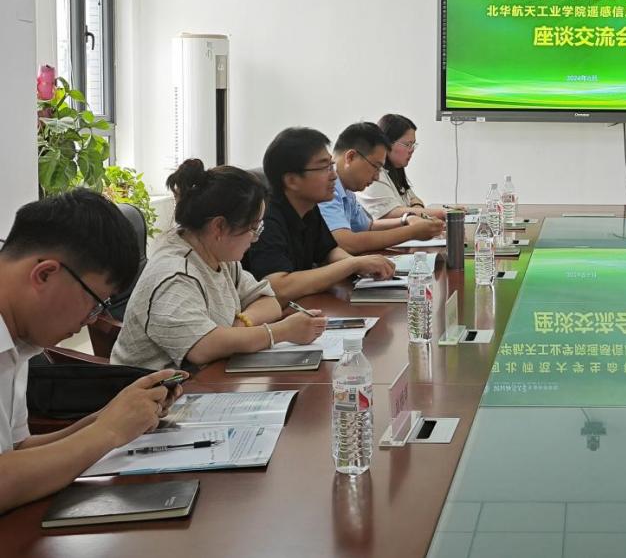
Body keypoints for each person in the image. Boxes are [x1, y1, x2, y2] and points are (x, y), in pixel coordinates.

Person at [0, 190, 182, 514]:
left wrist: (109, 417)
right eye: (96, 303)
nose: (92, 320)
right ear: (45, 274)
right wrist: (107, 432)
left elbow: (17, 453)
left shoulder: (19, 337)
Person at [111, 160, 326, 371]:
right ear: (219, 227)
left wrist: (240, 325)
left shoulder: (219, 257)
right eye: (253, 228)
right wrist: (282, 331)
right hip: (155, 389)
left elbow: (268, 301)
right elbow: (203, 347)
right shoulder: (174, 275)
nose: (255, 238)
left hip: (206, 377)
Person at [244, 127, 396, 301]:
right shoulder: (265, 218)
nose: (334, 176)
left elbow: (328, 252)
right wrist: (353, 264)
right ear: (292, 180)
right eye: (324, 168)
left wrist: (363, 266)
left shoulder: (308, 207)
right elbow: (278, 287)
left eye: (331, 165)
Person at [319, 122, 444, 255]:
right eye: (375, 167)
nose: (377, 177)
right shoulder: (327, 188)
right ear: (351, 157)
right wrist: (411, 232)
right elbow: (346, 243)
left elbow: (368, 226)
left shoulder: (347, 190)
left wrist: (406, 220)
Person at [359, 114, 445, 221]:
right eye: (407, 144)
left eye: (413, 145)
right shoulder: (375, 174)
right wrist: (443, 213)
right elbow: (390, 213)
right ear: (388, 143)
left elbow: (414, 199)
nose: (411, 150)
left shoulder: (396, 171)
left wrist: (416, 207)